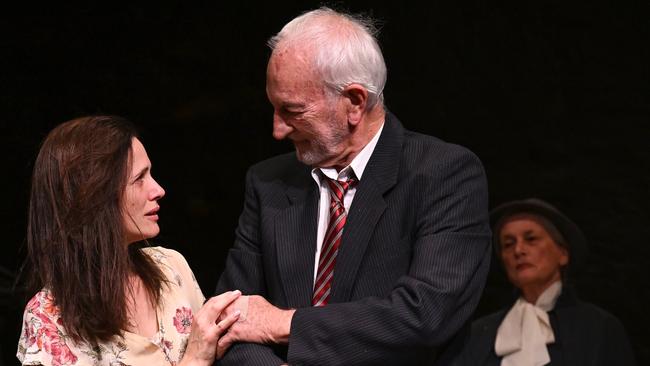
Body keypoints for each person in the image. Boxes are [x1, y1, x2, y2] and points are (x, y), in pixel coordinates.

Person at [214, 7, 492, 365]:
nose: (277, 130)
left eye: (293, 111)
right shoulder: (267, 183)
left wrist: (286, 323)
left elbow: (427, 312)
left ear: (355, 103)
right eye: (273, 108)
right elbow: (232, 320)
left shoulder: (444, 174)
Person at [16, 116, 242, 366]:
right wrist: (194, 360)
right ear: (95, 197)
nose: (158, 190)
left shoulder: (170, 266)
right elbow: (199, 356)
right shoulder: (49, 317)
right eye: (139, 179)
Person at [457, 198, 636, 365]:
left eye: (531, 239)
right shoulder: (479, 334)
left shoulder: (599, 327)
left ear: (563, 254)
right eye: (508, 244)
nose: (518, 250)